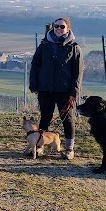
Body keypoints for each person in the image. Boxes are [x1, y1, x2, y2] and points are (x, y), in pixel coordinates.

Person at [29, 17, 83, 160]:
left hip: (65, 91)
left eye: (62, 27)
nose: (59, 29)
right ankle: (40, 146)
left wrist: (74, 93)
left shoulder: (74, 47)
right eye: (56, 26)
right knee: (45, 118)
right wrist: (34, 85)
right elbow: (35, 66)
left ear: (68, 29)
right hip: (45, 89)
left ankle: (69, 149)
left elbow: (78, 73)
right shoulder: (44, 45)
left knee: (67, 120)